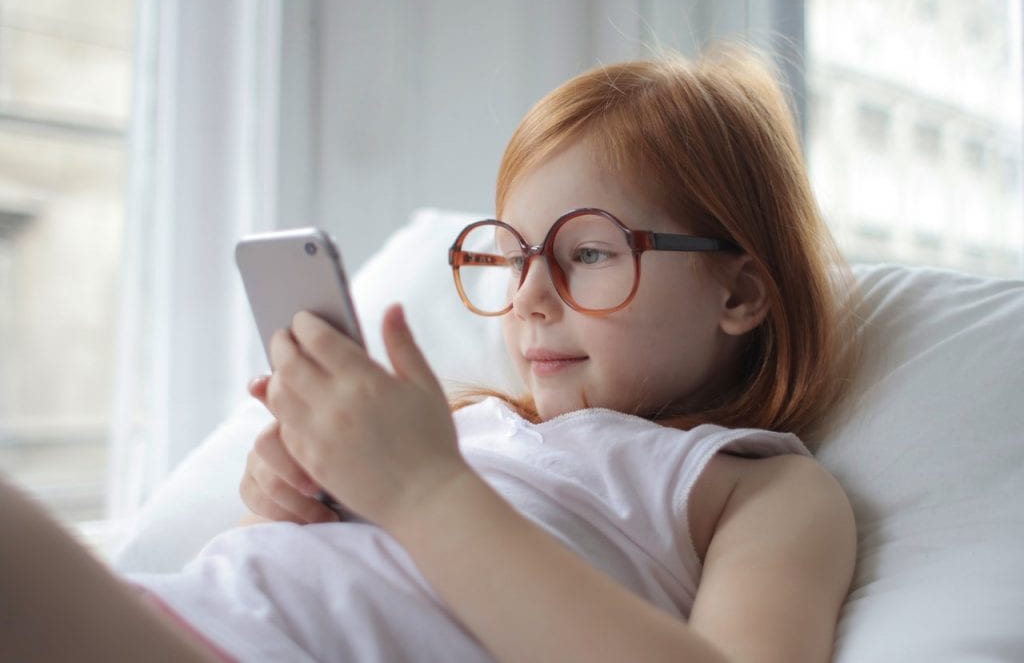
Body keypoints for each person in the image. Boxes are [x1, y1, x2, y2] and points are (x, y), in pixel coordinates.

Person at [0, 46, 858, 663]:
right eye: (515, 255)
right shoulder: (466, 427)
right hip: (182, 615)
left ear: (740, 293)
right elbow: (285, 572)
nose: (528, 294)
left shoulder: (758, 486)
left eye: (588, 252)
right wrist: (291, 498)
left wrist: (421, 490)